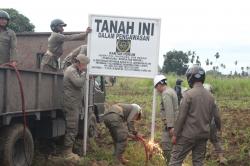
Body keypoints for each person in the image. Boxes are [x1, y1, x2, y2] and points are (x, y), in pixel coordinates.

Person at [169, 65, 221, 166]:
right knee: (198, 163)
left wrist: (175, 134)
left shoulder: (188, 95)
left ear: (190, 78)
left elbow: (181, 117)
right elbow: (217, 116)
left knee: (175, 162)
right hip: (203, 135)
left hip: (187, 136)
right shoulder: (211, 97)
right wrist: (219, 128)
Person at [62, 52, 90, 160]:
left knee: (73, 127)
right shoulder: (71, 71)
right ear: (80, 63)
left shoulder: (75, 70)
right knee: (72, 127)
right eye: (85, 65)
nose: (85, 67)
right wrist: (84, 74)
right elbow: (78, 83)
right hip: (71, 104)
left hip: (74, 103)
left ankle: (70, 150)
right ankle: (67, 153)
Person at [153, 75, 179, 165]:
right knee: (172, 148)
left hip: (170, 126)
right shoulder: (171, 90)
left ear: (160, 84)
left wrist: (170, 127)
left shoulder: (166, 93)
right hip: (173, 124)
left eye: (156, 87)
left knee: (167, 148)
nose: (156, 89)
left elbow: (169, 111)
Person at [204, 83, 227, 165]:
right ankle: (221, 158)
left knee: (202, 142)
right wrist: (219, 126)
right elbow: (216, 116)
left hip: (200, 125)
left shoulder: (197, 99)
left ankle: (201, 160)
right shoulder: (212, 100)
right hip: (211, 124)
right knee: (215, 141)